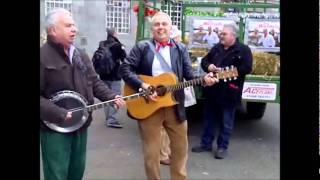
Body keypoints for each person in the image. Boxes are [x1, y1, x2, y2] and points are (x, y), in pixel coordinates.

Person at [119, 11, 218, 180]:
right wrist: (142, 85)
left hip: (175, 106)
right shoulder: (142, 47)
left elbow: (189, 74)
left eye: (164, 24)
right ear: (152, 29)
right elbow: (125, 69)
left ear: (170, 27)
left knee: (180, 149)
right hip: (149, 106)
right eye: (157, 24)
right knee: (151, 153)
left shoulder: (180, 49)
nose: (161, 27)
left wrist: (204, 80)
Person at [40, 8, 126, 180]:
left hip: (81, 124)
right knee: (57, 174)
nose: (74, 29)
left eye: (74, 25)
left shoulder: (80, 54)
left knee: (77, 171)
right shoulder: (42, 56)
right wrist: (59, 113)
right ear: (53, 30)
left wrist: (111, 96)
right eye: (68, 25)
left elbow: (94, 82)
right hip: (54, 129)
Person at [191, 23, 253, 159]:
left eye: (224, 34)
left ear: (233, 35)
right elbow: (204, 61)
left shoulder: (243, 50)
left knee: (226, 122)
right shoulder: (217, 47)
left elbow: (247, 68)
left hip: (230, 92)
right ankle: (206, 144)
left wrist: (225, 73)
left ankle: (222, 147)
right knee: (208, 119)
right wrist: (209, 66)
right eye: (221, 33)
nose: (221, 35)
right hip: (212, 90)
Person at [93, 28, 127, 128]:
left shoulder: (102, 44)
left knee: (106, 97)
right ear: (115, 34)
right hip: (115, 76)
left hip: (103, 75)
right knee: (116, 97)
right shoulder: (118, 45)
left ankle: (108, 118)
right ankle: (112, 119)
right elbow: (125, 58)